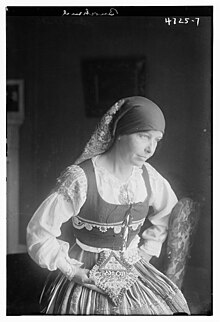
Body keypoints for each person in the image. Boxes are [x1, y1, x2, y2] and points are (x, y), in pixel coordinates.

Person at [26, 96, 190, 315]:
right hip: (87, 274)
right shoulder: (81, 179)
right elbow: (39, 233)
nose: (151, 148)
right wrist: (72, 271)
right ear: (121, 133)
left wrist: (146, 252)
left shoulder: (149, 177)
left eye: (157, 140)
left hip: (134, 267)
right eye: (143, 136)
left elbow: (168, 212)